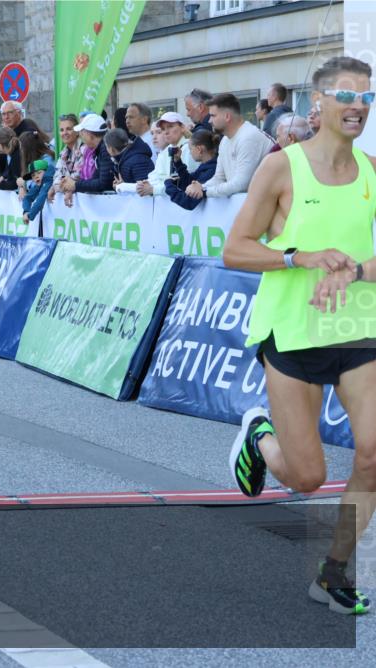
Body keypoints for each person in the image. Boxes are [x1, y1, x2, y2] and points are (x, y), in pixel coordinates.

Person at [222, 56, 376, 616]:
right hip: (293, 333)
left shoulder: (374, 172)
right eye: (346, 94)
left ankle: (333, 573)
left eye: (366, 96)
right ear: (319, 103)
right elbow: (235, 249)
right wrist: (300, 256)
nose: (358, 104)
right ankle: (260, 437)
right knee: (308, 476)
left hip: (361, 330)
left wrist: (354, 270)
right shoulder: (281, 167)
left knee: (373, 452)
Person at [187, 92, 275, 199]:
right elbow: (219, 178)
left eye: (213, 116)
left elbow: (241, 184)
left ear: (227, 116)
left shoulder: (248, 137)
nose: (209, 121)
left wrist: (204, 191)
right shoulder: (225, 140)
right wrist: (201, 187)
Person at [134, 112, 196, 196]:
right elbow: (156, 176)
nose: (166, 132)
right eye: (163, 129)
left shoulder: (190, 148)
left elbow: (186, 182)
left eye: (170, 126)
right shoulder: (165, 152)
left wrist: (154, 189)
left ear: (182, 127)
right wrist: (145, 184)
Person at [164, 129, 219, 210]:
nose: (190, 153)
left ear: (199, 149)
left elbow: (188, 201)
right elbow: (189, 182)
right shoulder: (206, 167)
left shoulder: (211, 171)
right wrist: (178, 161)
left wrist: (169, 185)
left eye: (190, 149)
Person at [61, 114, 114, 196]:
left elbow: (103, 183)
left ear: (90, 135)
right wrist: (74, 186)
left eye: (82, 133)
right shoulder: (100, 149)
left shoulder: (105, 149)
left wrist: (75, 185)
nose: (81, 136)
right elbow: (95, 179)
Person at [48, 114, 85, 207]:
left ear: (77, 131)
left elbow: (78, 175)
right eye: (61, 130)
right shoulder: (63, 152)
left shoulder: (84, 149)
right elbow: (56, 176)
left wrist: (60, 187)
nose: (65, 133)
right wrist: (55, 187)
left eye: (69, 129)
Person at [22, 157, 54, 226]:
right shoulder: (39, 184)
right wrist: (26, 211)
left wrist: (30, 215)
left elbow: (41, 198)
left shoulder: (48, 179)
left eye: (39, 173)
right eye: (33, 175)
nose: (36, 177)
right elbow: (28, 198)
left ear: (46, 172)